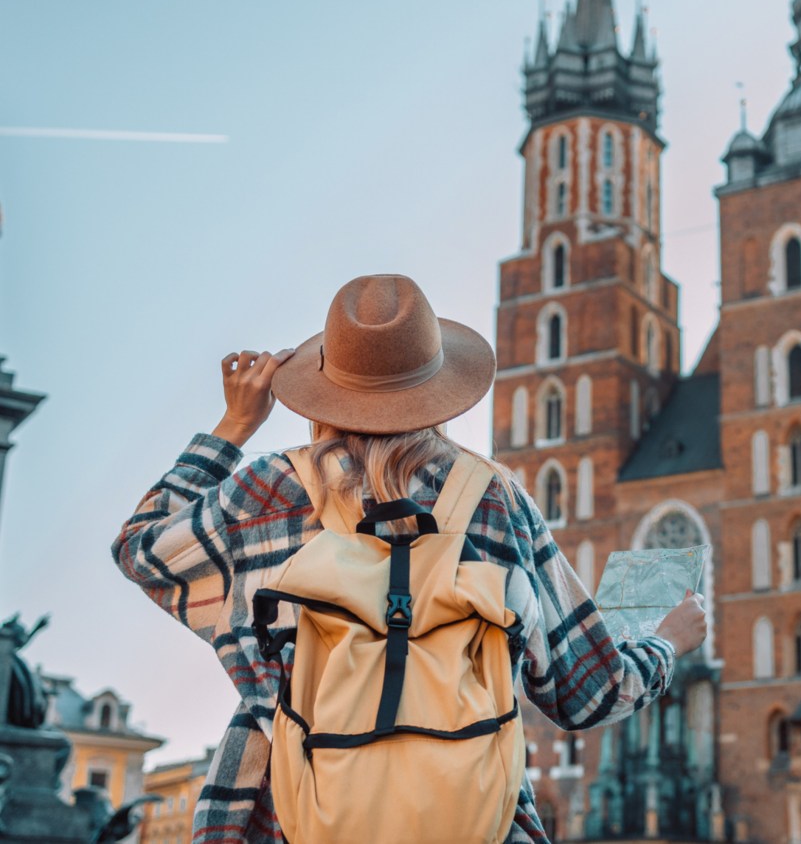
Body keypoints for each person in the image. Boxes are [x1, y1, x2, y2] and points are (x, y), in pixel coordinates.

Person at [113, 274, 707, 843]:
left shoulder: (268, 492)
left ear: (324, 389)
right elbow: (590, 694)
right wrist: (666, 643)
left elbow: (140, 549)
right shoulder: (495, 498)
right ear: (438, 390)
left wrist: (233, 427)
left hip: (287, 818)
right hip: (474, 818)